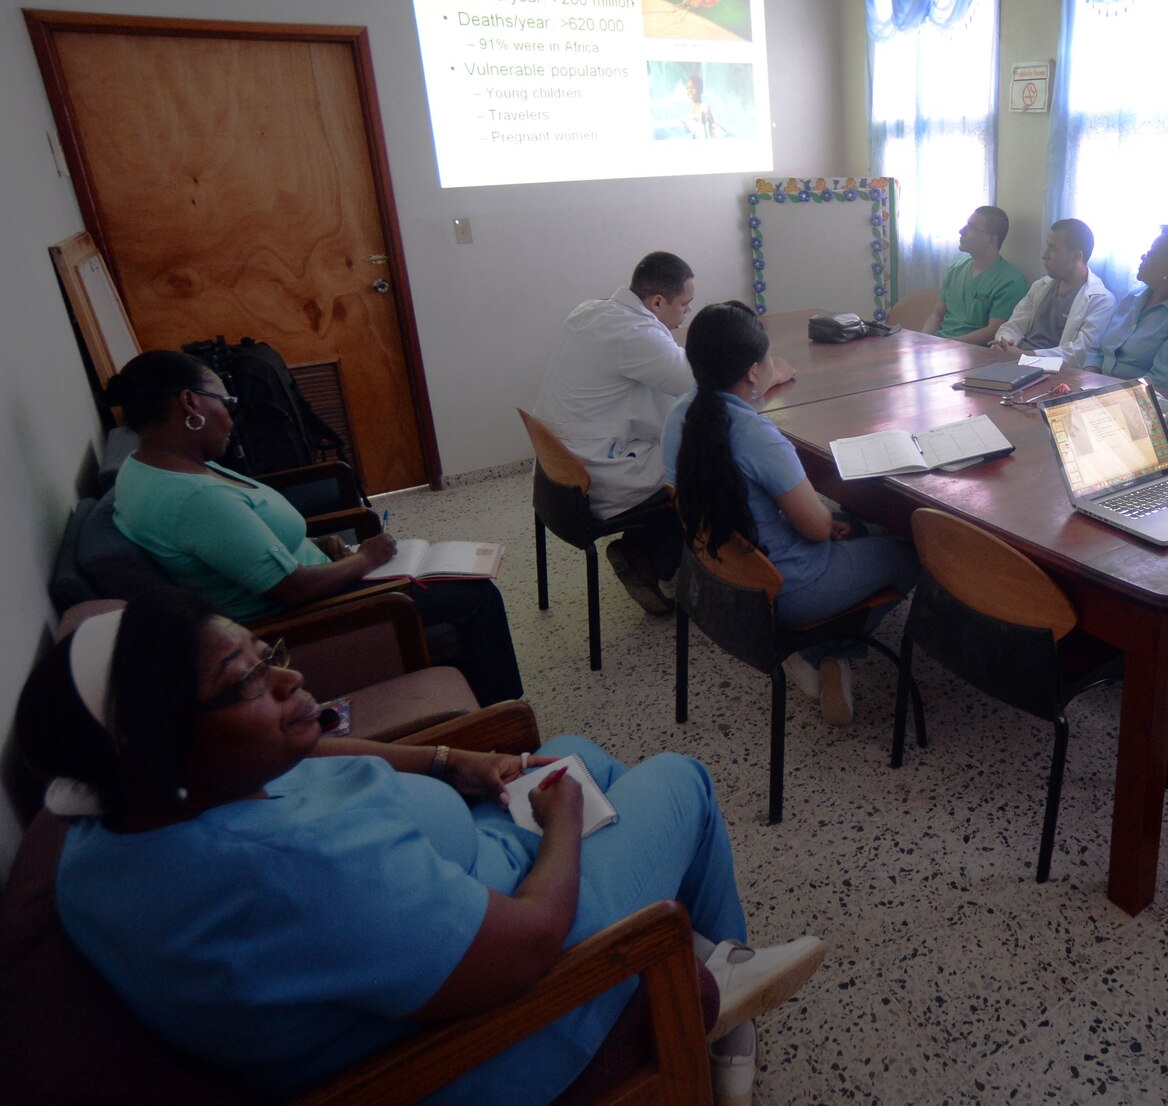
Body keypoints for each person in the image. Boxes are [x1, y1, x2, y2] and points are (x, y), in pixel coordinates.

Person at [16, 589, 827, 1106]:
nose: (292, 685)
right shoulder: (287, 873)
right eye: (248, 682)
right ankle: (713, 986)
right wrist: (563, 826)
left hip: (440, 887)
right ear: (159, 749)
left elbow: (312, 753)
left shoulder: (112, 823)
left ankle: (699, 947)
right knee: (678, 779)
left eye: (270, 656)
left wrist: (452, 762)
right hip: (505, 1022)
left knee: (583, 753)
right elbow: (530, 944)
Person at [106, 350, 524, 707]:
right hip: (311, 616)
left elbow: (246, 542)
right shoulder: (195, 500)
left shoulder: (151, 466)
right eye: (226, 401)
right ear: (190, 403)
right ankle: (503, 721)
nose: (232, 416)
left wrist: (316, 542)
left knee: (449, 580)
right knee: (475, 595)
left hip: (311, 584)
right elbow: (293, 588)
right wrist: (366, 558)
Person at [665, 302, 919, 727]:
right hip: (788, 588)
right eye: (767, 361)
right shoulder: (758, 436)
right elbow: (818, 530)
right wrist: (821, 519)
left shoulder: (680, 415)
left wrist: (766, 378)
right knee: (907, 551)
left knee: (853, 525)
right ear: (751, 372)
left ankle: (822, 651)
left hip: (722, 572)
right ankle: (828, 650)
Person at [535, 252, 792, 615]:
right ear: (657, 301)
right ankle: (664, 563)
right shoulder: (635, 335)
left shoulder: (591, 311)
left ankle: (642, 549)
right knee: (703, 463)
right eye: (685, 304)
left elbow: (675, 368)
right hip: (596, 475)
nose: (688, 312)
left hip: (559, 470)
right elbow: (713, 382)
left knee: (682, 434)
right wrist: (771, 371)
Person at [1085, 226, 1168, 394]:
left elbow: (1161, 384)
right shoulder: (1134, 297)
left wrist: (1102, 397)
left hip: (1151, 408)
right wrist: (1088, 386)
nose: (1142, 257)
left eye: (1150, 254)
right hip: (1102, 393)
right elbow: (1098, 350)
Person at [991, 217, 1115, 367]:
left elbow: (1080, 352)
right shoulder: (1040, 286)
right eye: (1047, 247)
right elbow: (1014, 324)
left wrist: (1025, 356)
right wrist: (1004, 342)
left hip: (1052, 371)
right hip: (1015, 361)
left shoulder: (1101, 300)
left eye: (1054, 249)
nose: (1045, 255)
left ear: (1077, 257)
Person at [922, 205, 1031, 343]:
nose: (961, 231)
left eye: (971, 228)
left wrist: (947, 346)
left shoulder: (1011, 282)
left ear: (990, 239)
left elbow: (994, 332)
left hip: (973, 353)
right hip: (940, 346)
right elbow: (937, 315)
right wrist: (923, 341)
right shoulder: (955, 269)